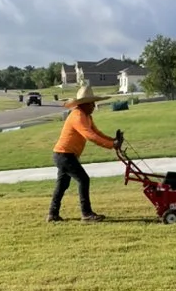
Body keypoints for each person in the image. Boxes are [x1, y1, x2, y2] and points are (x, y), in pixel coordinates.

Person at [47, 83, 123, 223]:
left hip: (64, 155)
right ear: (84, 104)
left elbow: (96, 132)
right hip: (64, 155)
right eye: (92, 103)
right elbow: (90, 136)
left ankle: (52, 214)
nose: (94, 106)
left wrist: (113, 141)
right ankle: (86, 214)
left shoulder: (87, 116)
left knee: (62, 185)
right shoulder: (77, 116)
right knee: (83, 179)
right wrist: (112, 145)